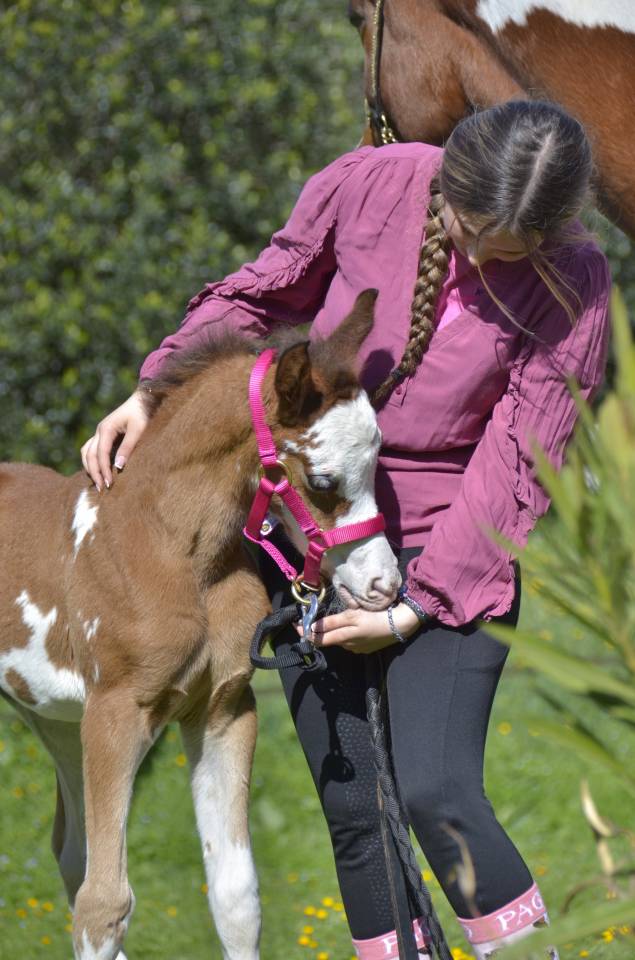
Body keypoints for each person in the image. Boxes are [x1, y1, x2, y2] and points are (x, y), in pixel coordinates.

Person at [81, 100, 612, 960]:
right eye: (468, 230)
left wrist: (415, 607)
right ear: (447, 184)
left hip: (456, 544)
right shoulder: (370, 182)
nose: (477, 259)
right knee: (357, 810)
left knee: (439, 790)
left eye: (504, 252)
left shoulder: (575, 279)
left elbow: (521, 455)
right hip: (314, 534)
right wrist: (152, 393)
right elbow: (260, 298)